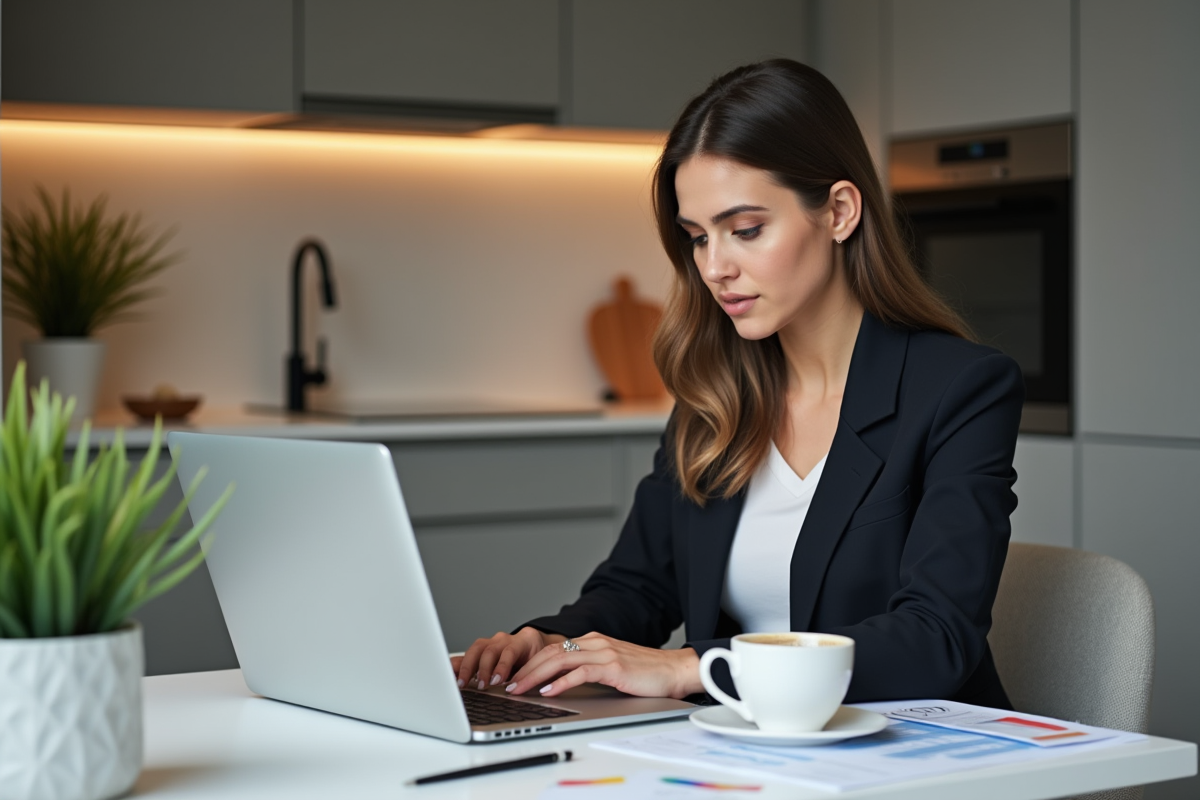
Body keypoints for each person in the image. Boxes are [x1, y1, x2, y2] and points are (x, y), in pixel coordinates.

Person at [452, 59, 1023, 710]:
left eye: (745, 230)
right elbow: (639, 588)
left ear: (838, 211)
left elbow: (935, 639)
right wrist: (550, 643)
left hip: (913, 752)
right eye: (697, 238)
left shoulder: (960, 389)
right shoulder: (715, 396)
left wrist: (694, 669)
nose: (715, 267)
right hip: (746, 756)